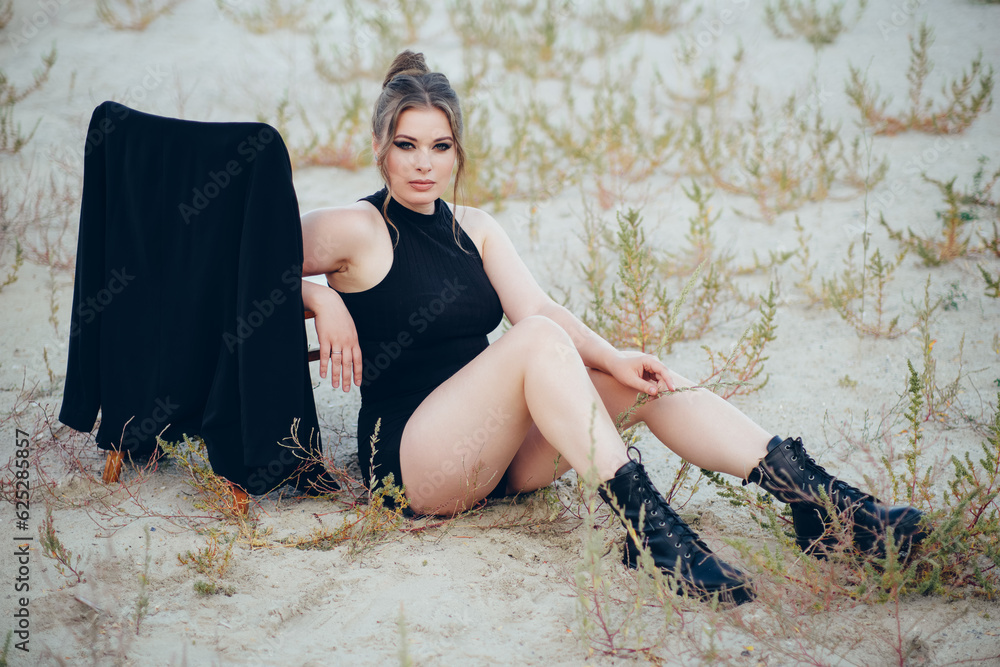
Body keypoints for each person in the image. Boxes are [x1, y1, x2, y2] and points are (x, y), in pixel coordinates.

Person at [300, 51, 927, 605]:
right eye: (406, 145)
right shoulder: (355, 226)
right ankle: (649, 533)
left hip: (497, 454)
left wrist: (613, 357)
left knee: (641, 379)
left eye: (440, 147)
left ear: (457, 150)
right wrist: (320, 299)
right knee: (538, 345)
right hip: (414, 460)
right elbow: (240, 270)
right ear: (380, 143)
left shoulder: (477, 227)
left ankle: (821, 504)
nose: (423, 164)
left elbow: (539, 310)